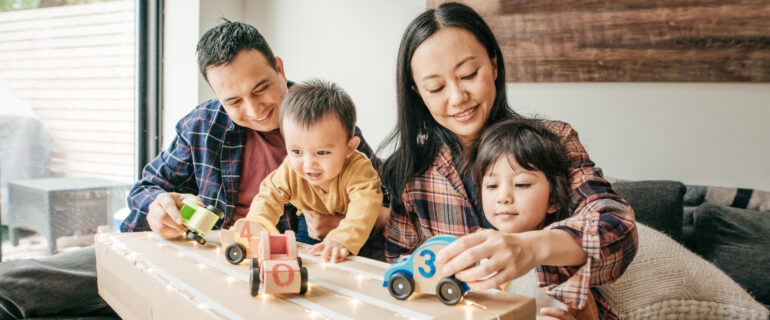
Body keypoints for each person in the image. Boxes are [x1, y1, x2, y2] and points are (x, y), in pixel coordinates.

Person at [0, 21, 384, 319]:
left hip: (280, 277)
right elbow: (146, 188)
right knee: (15, 283)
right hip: (201, 255)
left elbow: (391, 211)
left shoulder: (328, 124)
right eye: (233, 100)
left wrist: (345, 225)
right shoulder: (203, 125)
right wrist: (159, 206)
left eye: (262, 87)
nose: (253, 109)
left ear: (280, 68)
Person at [379, 2, 637, 319]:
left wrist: (529, 248)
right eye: (436, 87)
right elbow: (400, 264)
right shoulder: (411, 169)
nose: (458, 97)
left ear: (494, 66)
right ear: (417, 92)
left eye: (469, 74)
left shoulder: (553, 141)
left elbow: (619, 229)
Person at [470, 119, 598, 319]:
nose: (503, 197)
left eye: (521, 184)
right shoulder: (474, 247)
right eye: (492, 186)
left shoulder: (563, 259)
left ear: (553, 199)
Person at [247, 79, 382, 263]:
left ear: (349, 148)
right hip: (309, 229)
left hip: (356, 233)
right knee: (304, 261)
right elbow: (269, 195)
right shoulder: (290, 170)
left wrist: (341, 239)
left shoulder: (358, 168)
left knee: (352, 264)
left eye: (322, 152)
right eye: (296, 151)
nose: (309, 164)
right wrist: (257, 225)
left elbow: (365, 205)